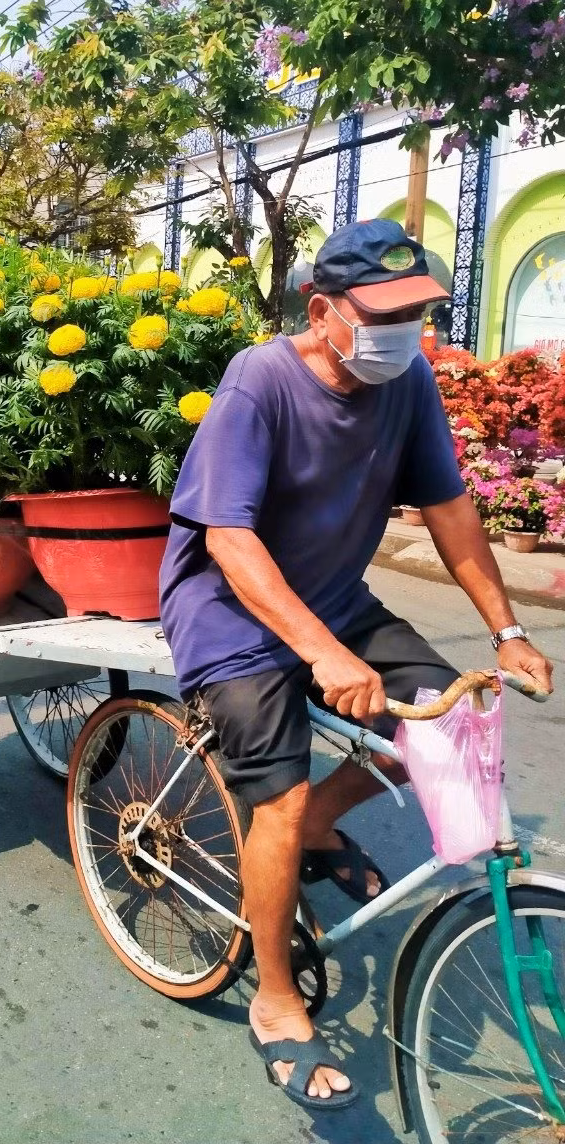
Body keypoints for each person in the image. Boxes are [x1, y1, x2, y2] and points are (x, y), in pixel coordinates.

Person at [159, 219, 554, 1110]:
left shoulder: (406, 378)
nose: (405, 335)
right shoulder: (261, 380)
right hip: (231, 615)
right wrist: (321, 651)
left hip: (334, 600)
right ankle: (273, 998)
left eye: (419, 315)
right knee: (279, 792)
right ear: (323, 309)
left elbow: (451, 508)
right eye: (384, 316)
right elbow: (228, 538)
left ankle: (317, 831)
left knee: (445, 726)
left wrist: (504, 631)